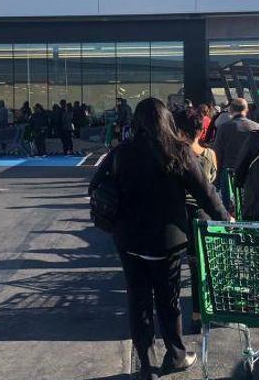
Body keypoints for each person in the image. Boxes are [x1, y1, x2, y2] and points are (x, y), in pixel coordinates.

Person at [89, 98, 229, 380]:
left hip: (128, 239)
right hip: (168, 241)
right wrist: (225, 219)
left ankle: (146, 365)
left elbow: (95, 186)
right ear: (167, 120)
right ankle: (176, 354)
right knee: (169, 300)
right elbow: (205, 192)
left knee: (138, 300)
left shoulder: (121, 152)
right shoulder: (178, 151)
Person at [173, 108, 218, 334]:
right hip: (202, 214)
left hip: (176, 215)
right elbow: (212, 183)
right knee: (201, 265)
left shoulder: (171, 155)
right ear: (202, 131)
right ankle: (200, 313)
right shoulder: (208, 155)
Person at [212, 98, 259, 214]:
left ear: (231, 109)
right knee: (249, 204)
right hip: (250, 173)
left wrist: (216, 178)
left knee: (229, 206)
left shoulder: (224, 127)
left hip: (228, 172)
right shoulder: (257, 127)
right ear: (247, 110)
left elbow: (217, 152)